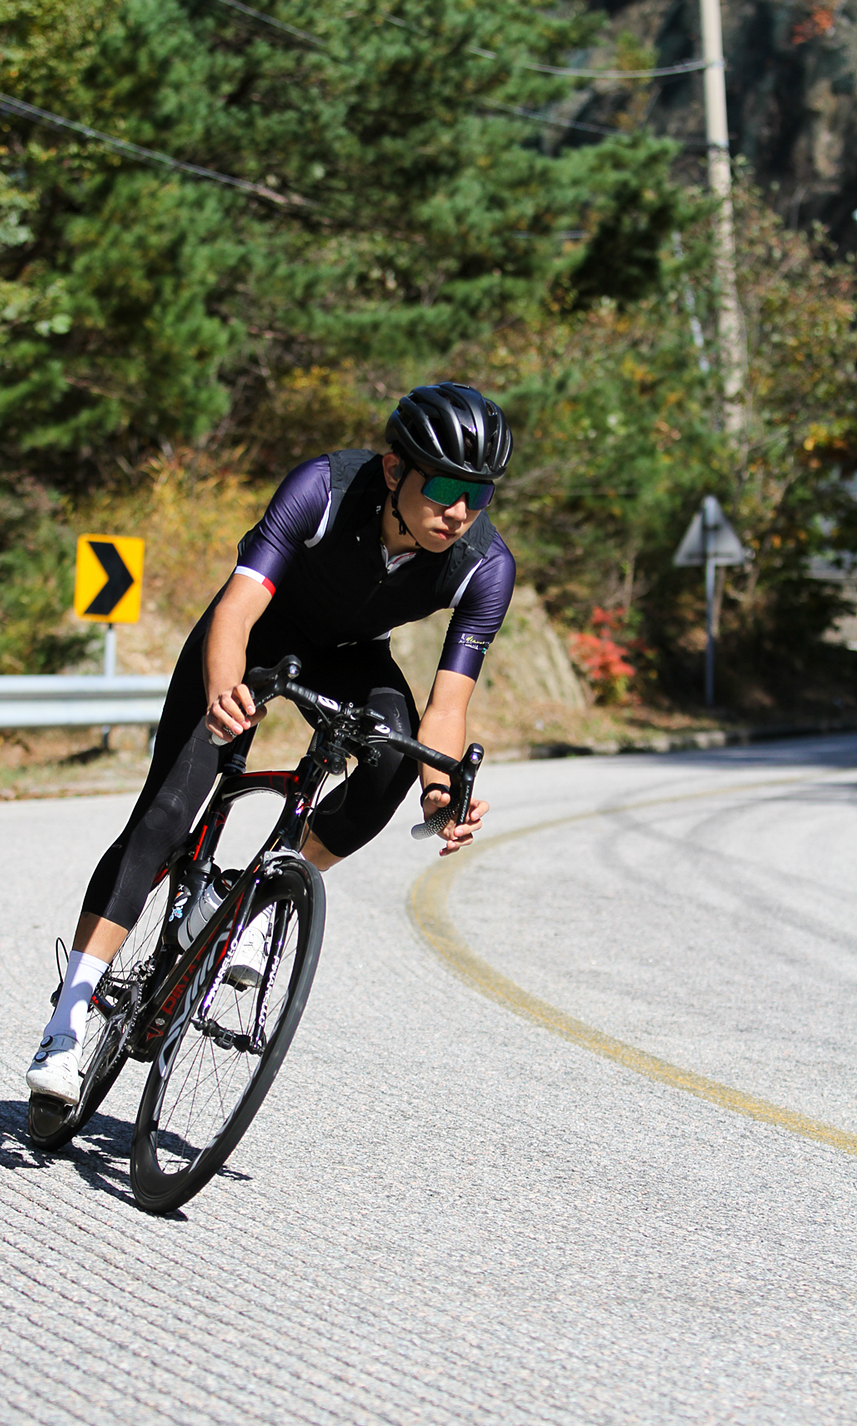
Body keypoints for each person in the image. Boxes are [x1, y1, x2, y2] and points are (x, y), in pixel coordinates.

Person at [27, 381, 516, 1103]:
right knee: (166, 814)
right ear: (393, 470)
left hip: (352, 657)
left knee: (396, 759)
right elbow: (237, 609)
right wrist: (225, 690)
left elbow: (447, 707)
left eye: (480, 494)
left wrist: (441, 793)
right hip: (259, 634)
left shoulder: (485, 565)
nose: (460, 510)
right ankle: (66, 1026)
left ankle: (254, 900)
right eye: (444, 487)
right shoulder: (322, 488)